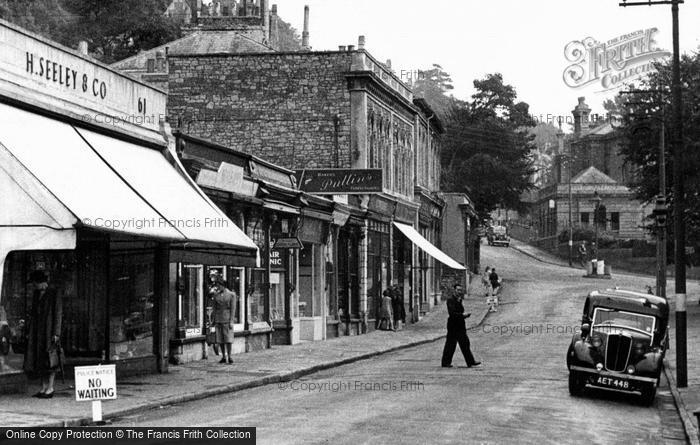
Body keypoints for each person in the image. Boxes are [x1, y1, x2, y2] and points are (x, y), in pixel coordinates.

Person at [24, 271, 62, 398]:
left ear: (41, 282)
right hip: (38, 331)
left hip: (49, 330)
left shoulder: (54, 292)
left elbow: (58, 313)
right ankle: (43, 387)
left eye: (35, 283)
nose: (34, 286)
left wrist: (56, 333)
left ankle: (50, 388)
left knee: (51, 359)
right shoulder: (36, 294)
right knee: (40, 359)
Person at [441, 284, 480, 368]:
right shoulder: (450, 300)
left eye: (460, 290)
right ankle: (445, 362)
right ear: (454, 290)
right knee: (451, 344)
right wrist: (463, 315)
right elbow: (452, 313)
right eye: (458, 290)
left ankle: (470, 361)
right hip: (453, 326)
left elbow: (459, 311)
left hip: (460, 325)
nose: (459, 292)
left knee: (465, 343)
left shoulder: (459, 300)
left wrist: (463, 315)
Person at [210, 275, 237, 364]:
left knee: (228, 339)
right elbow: (214, 309)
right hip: (218, 319)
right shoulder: (216, 295)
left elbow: (233, 309)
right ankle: (223, 356)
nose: (218, 287)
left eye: (219, 285)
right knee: (220, 340)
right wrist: (213, 320)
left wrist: (231, 321)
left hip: (227, 319)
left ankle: (229, 356)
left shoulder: (231, 295)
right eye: (217, 286)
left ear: (223, 285)